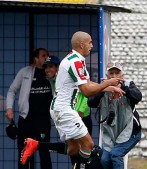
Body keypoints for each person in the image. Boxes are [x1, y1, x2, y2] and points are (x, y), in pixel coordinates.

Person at [20, 31, 125, 169]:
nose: (92, 46)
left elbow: (89, 83)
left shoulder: (76, 60)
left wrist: (111, 87)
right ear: (82, 45)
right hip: (64, 110)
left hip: (60, 109)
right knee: (89, 145)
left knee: (73, 150)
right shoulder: (75, 62)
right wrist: (108, 82)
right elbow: (87, 91)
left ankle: (35, 144)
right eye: (90, 42)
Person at [88, 61, 142, 169]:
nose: (114, 76)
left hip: (130, 133)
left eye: (117, 73)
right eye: (111, 74)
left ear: (122, 75)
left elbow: (138, 97)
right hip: (111, 134)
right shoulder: (102, 88)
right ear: (107, 76)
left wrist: (122, 87)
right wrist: (104, 89)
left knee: (116, 154)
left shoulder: (128, 85)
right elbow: (91, 103)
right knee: (104, 160)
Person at [5, 48, 53, 169]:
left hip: (43, 120)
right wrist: (9, 108)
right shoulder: (25, 72)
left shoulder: (51, 73)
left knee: (44, 153)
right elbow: (12, 90)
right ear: (35, 59)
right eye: (43, 56)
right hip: (26, 119)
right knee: (24, 153)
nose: (46, 58)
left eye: (47, 55)